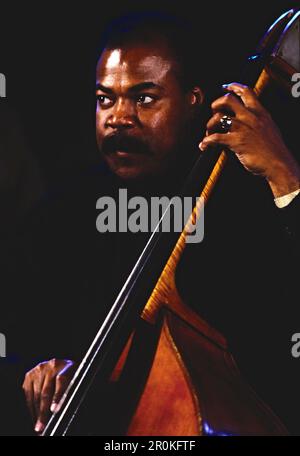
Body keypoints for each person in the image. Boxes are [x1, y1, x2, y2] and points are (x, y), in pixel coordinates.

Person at [13, 12, 300, 435]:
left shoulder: (250, 199)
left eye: (144, 99)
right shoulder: (61, 218)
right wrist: (40, 370)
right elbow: (22, 337)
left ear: (193, 101)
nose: (118, 117)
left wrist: (285, 175)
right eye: (105, 98)